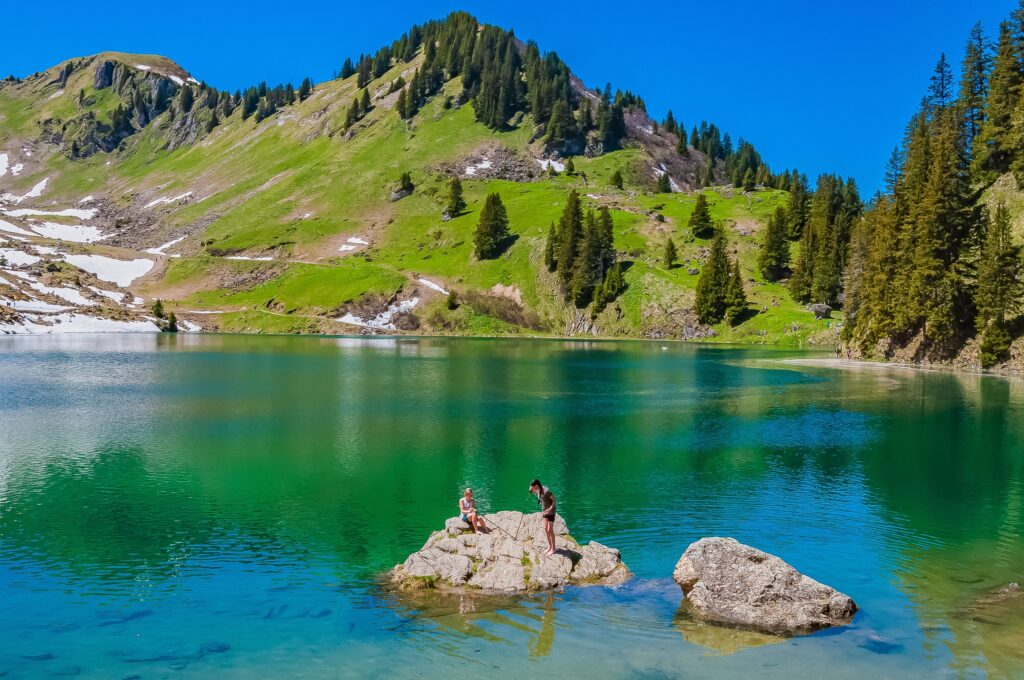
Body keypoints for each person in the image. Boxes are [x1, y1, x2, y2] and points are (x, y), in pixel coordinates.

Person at [529, 479, 557, 556]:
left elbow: (554, 500)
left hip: (551, 512)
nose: (531, 488)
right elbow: (533, 491)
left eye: (532, 487)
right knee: (545, 528)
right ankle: (549, 546)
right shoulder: (536, 490)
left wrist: (550, 509)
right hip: (544, 511)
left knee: (549, 529)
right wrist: (530, 490)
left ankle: (553, 549)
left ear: (536, 486)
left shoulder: (546, 491)